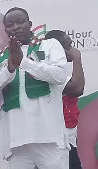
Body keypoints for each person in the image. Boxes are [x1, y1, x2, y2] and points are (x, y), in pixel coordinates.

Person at [0, 7, 69, 169]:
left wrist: (24, 63)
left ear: (30, 24)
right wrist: (9, 69)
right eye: (10, 24)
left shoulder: (49, 45)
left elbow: (60, 75)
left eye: (20, 22)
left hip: (49, 137)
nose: (15, 27)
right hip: (16, 141)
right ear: (5, 29)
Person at [45, 30, 84, 169]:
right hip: (57, 140)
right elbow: (77, 89)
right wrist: (77, 58)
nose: (72, 49)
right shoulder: (49, 71)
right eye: (68, 46)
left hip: (69, 137)